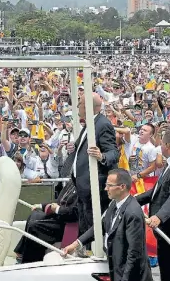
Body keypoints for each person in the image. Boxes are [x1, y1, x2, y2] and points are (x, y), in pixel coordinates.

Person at [64, 169, 153, 281]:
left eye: (109, 185)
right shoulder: (114, 204)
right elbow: (100, 227)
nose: (106, 188)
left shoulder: (133, 213)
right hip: (117, 271)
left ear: (122, 187)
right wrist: (76, 244)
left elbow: (134, 253)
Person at [65, 92, 120, 235]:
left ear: (88, 106)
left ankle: (95, 254)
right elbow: (83, 146)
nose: (77, 106)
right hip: (83, 187)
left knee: (93, 228)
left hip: (94, 188)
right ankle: (87, 252)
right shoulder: (91, 123)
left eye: (80, 103)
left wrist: (101, 156)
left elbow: (113, 152)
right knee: (84, 226)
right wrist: (74, 146)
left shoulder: (103, 124)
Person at [136, 129, 170, 281]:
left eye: (161, 144)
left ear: (166, 145)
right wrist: (133, 200)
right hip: (164, 227)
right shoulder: (169, 165)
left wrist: (159, 217)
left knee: (168, 265)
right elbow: (156, 191)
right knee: (166, 263)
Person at [15, 180, 78, 263]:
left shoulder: (83, 188)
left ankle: (30, 262)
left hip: (69, 223)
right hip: (59, 216)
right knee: (34, 214)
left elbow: (75, 213)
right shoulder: (72, 182)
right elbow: (59, 200)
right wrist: (42, 206)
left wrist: (57, 209)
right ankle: (21, 252)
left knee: (35, 226)